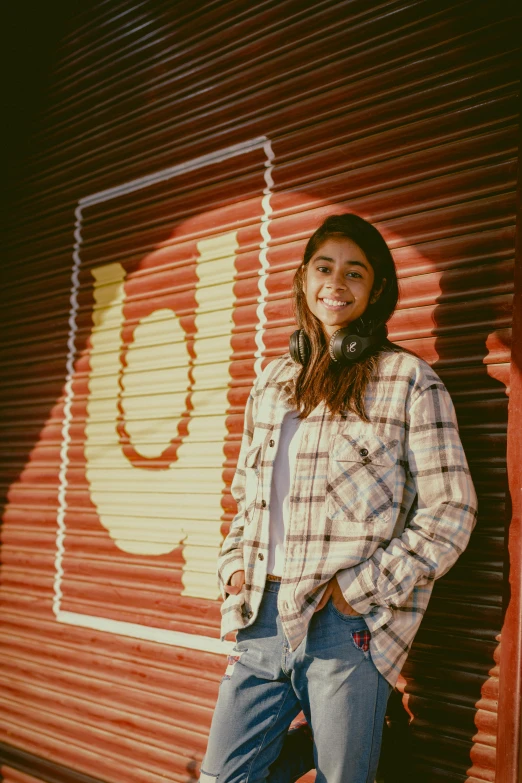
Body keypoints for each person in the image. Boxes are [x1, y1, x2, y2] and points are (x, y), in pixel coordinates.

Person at [199, 214, 477, 783]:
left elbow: (452, 510)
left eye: (355, 272)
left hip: (344, 627)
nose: (336, 282)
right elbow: (246, 499)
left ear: (375, 290)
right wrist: (232, 566)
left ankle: (348, 736)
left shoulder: (407, 381)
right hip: (260, 617)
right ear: (303, 278)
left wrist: (359, 589)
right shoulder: (273, 382)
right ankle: (320, 743)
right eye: (324, 267)